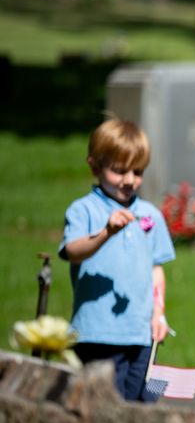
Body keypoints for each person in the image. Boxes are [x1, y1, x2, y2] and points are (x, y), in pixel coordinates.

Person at [60, 117, 175, 402]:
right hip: (97, 333)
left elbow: (155, 268)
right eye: (119, 171)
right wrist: (106, 233)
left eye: (137, 172)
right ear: (94, 166)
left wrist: (158, 313)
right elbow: (72, 250)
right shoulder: (84, 210)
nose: (129, 180)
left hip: (140, 333)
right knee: (106, 406)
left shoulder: (150, 216)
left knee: (146, 397)